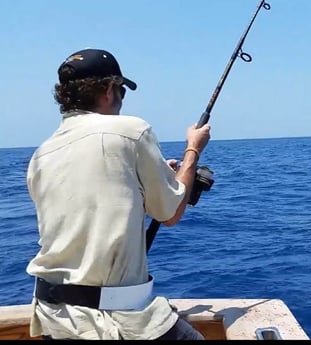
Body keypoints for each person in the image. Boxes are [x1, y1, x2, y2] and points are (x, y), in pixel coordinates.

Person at [25, 48, 210, 340]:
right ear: (110, 89)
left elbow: (91, 201)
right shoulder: (131, 130)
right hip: (114, 319)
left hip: (55, 317)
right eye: (122, 90)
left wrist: (149, 171)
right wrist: (193, 150)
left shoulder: (41, 155)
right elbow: (171, 213)